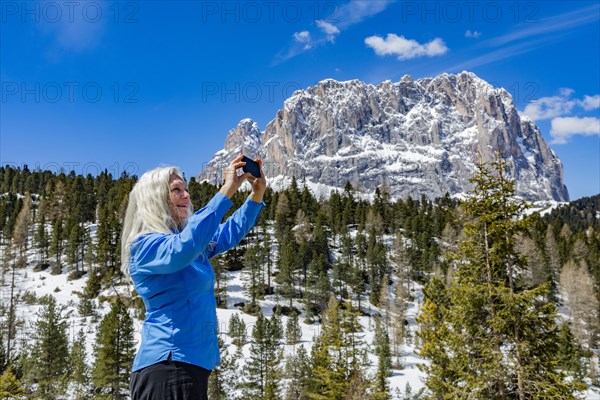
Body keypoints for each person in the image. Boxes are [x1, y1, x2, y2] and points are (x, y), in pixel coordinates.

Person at [121, 154, 266, 400]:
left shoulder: (191, 243)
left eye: (186, 189)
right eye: (176, 190)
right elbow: (182, 249)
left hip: (192, 367)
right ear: (154, 199)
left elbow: (227, 233)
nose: (186, 195)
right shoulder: (145, 246)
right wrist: (227, 189)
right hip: (167, 366)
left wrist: (257, 194)